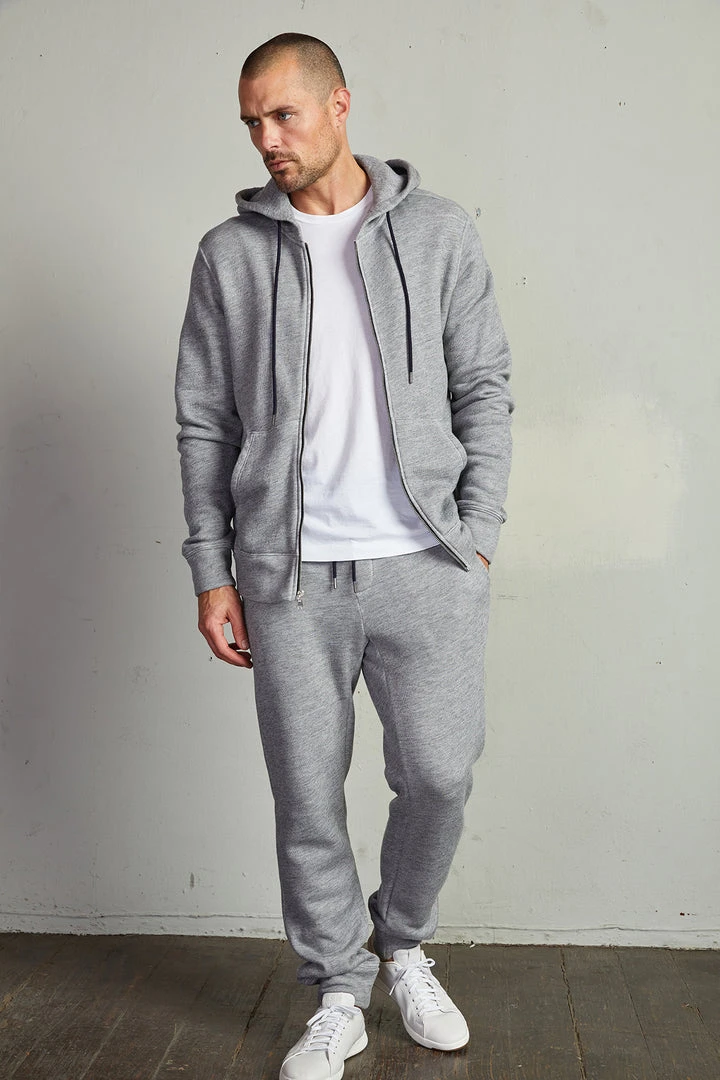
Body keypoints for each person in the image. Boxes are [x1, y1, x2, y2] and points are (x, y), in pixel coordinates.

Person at [174, 31, 513, 1080]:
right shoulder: (230, 255)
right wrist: (213, 570)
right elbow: (203, 422)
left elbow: (484, 385)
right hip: (289, 576)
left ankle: (401, 945)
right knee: (307, 797)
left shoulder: (439, 231)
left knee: (439, 776)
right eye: (251, 123)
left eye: (282, 115)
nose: (266, 139)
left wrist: (480, 530)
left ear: (339, 106)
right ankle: (336, 989)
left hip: (425, 562)